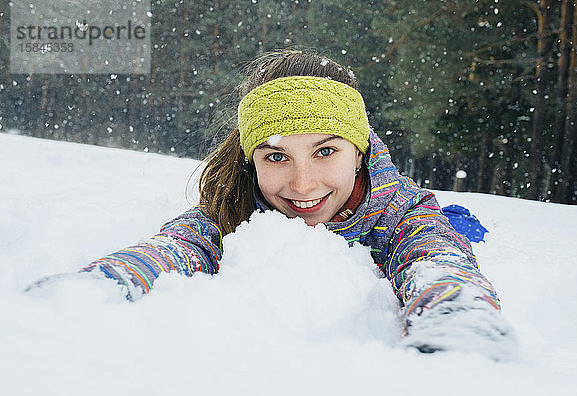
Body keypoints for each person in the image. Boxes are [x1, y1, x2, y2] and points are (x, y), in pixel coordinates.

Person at [31, 50, 514, 357]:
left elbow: (435, 255)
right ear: (252, 158)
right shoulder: (236, 205)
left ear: (359, 149)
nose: (303, 185)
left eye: (325, 151)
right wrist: (102, 284)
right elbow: (177, 246)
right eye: (277, 156)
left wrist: (457, 312)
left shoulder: (400, 210)